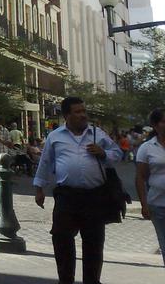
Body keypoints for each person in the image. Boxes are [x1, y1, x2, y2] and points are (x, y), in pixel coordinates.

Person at [33, 96, 122, 284]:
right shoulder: (55, 136)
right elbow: (45, 163)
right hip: (67, 196)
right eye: (78, 112)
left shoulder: (97, 134)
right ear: (67, 115)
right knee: (61, 238)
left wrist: (103, 152)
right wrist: (39, 188)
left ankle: (92, 280)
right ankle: (66, 279)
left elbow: (118, 154)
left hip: (94, 196)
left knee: (94, 243)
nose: (83, 115)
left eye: (84, 111)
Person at [135, 108, 165, 267]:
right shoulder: (147, 148)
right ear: (155, 125)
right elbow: (140, 177)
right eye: (164, 121)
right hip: (158, 206)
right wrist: (144, 204)